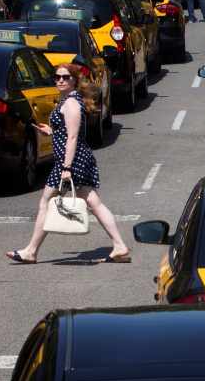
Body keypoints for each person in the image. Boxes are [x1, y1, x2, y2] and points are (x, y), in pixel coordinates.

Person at [7, 65, 129, 264]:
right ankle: (119, 245)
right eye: (57, 77)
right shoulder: (68, 101)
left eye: (65, 77)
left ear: (74, 80)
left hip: (71, 161)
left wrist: (66, 168)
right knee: (93, 202)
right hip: (74, 159)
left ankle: (31, 251)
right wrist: (51, 131)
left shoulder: (71, 103)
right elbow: (67, 133)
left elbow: (73, 137)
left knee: (47, 202)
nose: (60, 80)